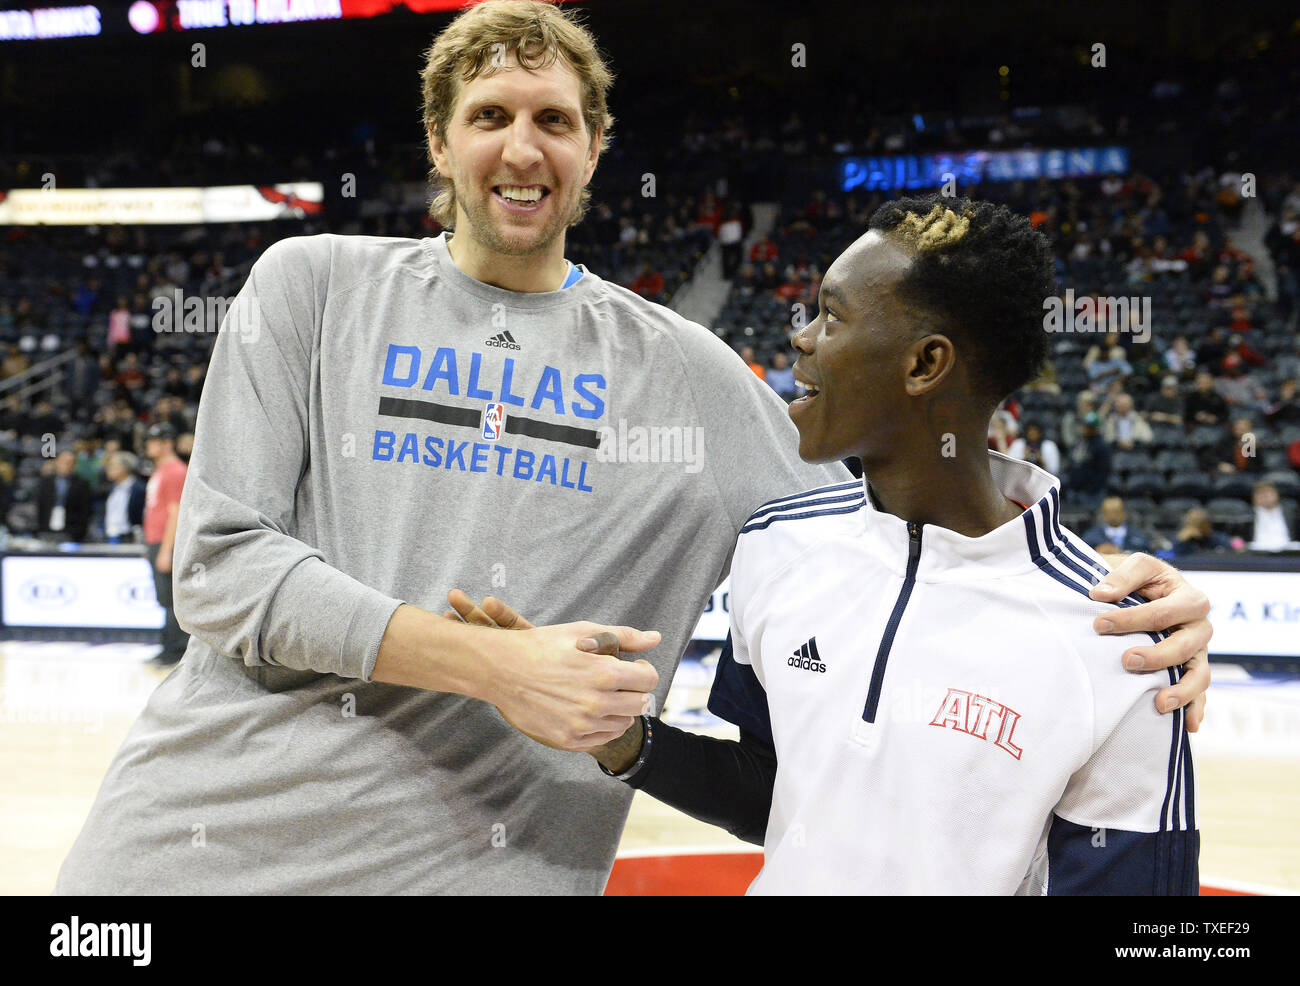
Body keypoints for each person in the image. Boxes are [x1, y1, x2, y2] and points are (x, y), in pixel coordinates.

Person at [55, 2, 1210, 898]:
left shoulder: (691, 378)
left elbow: (913, 509)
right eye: (490, 115)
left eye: (554, 119)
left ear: (597, 146)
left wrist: (1123, 594)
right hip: (192, 849)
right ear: (438, 141)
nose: (522, 146)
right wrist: (492, 664)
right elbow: (218, 563)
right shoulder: (310, 286)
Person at [458, 199, 1206, 894]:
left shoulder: (1121, 642)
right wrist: (618, 738)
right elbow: (773, 787)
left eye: (830, 317)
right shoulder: (777, 546)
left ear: (924, 364)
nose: (800, 337)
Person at [141, 423, 189, 667]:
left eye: (152, 441)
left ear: (166, 443)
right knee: (165, 599)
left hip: (165, 542)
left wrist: (167, 550)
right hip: (155, 540)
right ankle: (168, 647)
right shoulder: (161, 470)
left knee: (171, 599)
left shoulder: (175, 471)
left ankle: (175, 651)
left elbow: (176, 512)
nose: (148, 445)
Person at [37, 449, 92, 542]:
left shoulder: (82, 484)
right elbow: (40, 506)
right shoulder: (45, 482)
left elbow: (85, 510)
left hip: (71, 531)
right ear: (56, 462)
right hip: (46, 529)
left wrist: (79, 532)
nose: (67, 465)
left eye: (71, 463)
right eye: (64, 462)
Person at [1082, 496, 1153, 554]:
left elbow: (1150, 556)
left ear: (1124, 512)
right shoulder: (1090, 537)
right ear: (1102, 514)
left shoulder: (1139, 536)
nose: (1113, 516)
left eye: (1116, 512)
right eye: (1109, 512)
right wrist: (1096, 552)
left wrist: (1124, 553)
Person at [102, 451, 146, 544]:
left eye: (112, 466)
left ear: (124, 468)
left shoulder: (138, 488)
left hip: (128, 537)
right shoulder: (112, 488)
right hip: (111, 535)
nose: (108, 470)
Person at [1249, 480, 1293, 550]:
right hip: (1256, 554)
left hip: (1289, 553)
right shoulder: (1247, 514)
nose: (1265, 496)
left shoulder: (1291, 511)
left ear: (1276, 494)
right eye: (1260, 493)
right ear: (1254, 497)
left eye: (1268, 493)